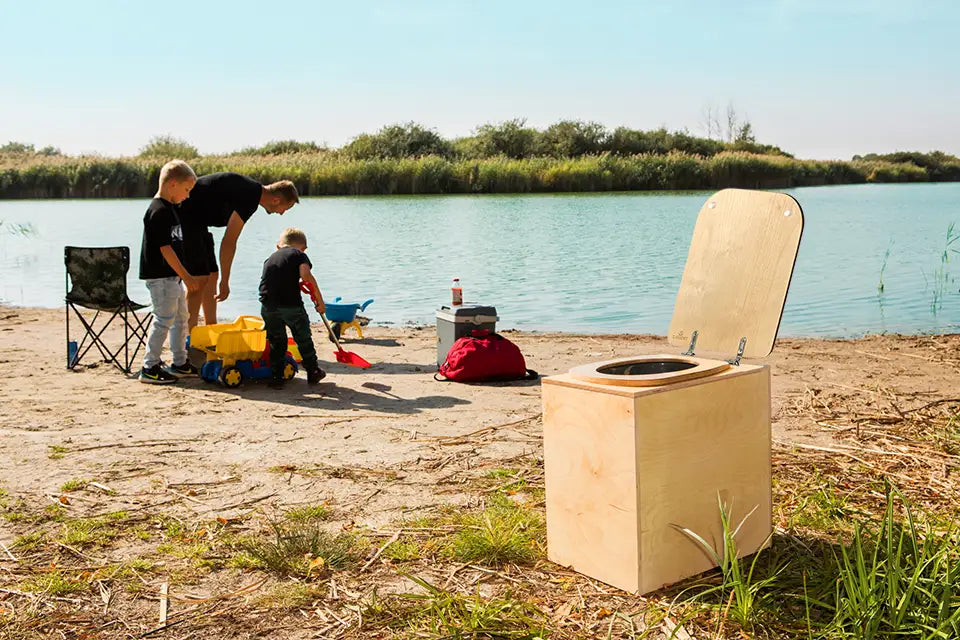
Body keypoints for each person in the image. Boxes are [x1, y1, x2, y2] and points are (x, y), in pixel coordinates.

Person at [179, 172, 300, 328]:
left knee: (211, 276)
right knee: (199, 279)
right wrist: (226, 281)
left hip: (198, 222)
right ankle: (189, 335)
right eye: (285, 208)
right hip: (184, 215)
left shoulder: (252, 192)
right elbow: (229, 241)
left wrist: (221, 277)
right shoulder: (250, 196)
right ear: (276, 200)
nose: (282, 213)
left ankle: (210, 328)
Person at [138, 160, 203, 384]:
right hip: (160, 276)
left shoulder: (171, 209)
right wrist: (186, 275)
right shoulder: (158, 211)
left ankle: (179, 362)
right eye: (186, 190)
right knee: (164, 319)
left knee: (181, 318)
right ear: (172, 184)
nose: (187, 195)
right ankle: (150, 366)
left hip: (172, 278)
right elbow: (165, 249)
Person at [259, 227, 326, 389]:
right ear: (303, 247)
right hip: (290, 305)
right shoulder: (298, 255)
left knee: (277, 341)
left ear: (278, 246)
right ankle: (312, 370)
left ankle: (276, 376)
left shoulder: (269, 259)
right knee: (302, 337)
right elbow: (305, 276)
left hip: (268, 305)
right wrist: (319, 301)